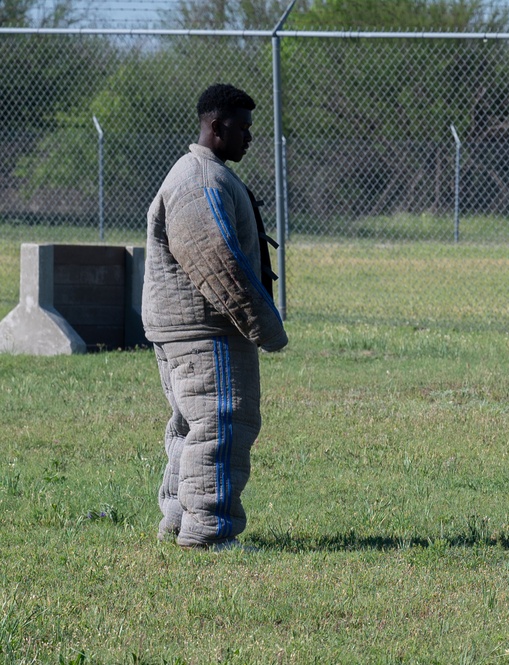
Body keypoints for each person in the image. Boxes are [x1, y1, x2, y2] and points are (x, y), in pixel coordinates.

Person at [142, 83, 287, 550]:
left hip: (190, 328)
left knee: (192, 426)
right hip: (207, 331)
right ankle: (209, 533)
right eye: (242, 128)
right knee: (223, 422)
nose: (249, 137)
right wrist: (263, 324)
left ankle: (179, 519)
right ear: (215, 126)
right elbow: (217, 261)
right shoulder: (199, 181)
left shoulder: (204, 174)